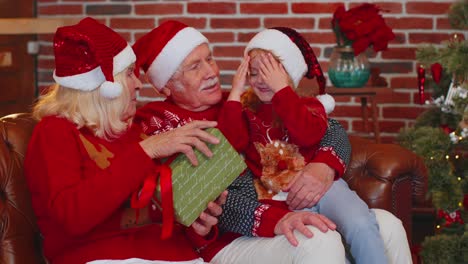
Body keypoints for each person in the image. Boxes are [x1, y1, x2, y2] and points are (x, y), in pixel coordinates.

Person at [132, 20, 412, 263]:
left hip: (284, 203)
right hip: (232, 235)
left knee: (390, 226)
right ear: (167, 85)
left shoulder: (245, 100)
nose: (212, 72)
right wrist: (275, 219)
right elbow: (208, 192)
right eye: (195, 66)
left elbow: (330, 127)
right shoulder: (158, 126)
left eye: (210, 58)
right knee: (316, 238)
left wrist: (324, 166)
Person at [24, 17, 227, 264]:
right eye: (129, 74)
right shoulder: (55, 131)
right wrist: (147, 150)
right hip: (99, 256)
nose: (139, 84)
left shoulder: (130, 132)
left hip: (171, 254)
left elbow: (157, 212)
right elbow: (72, 217)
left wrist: (197, 224)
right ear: (105, 86)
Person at [218, 27, 388, 264]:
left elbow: (308, 134)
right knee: (322, 242)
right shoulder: (246, 111)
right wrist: (235, 93)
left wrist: (282, 91)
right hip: (283, 199)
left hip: (324, 188)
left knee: (360, 221)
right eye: (254, 73)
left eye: (271, 72)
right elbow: (230, 142)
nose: (261, 80)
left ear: (290, 73)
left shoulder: (309, 105)